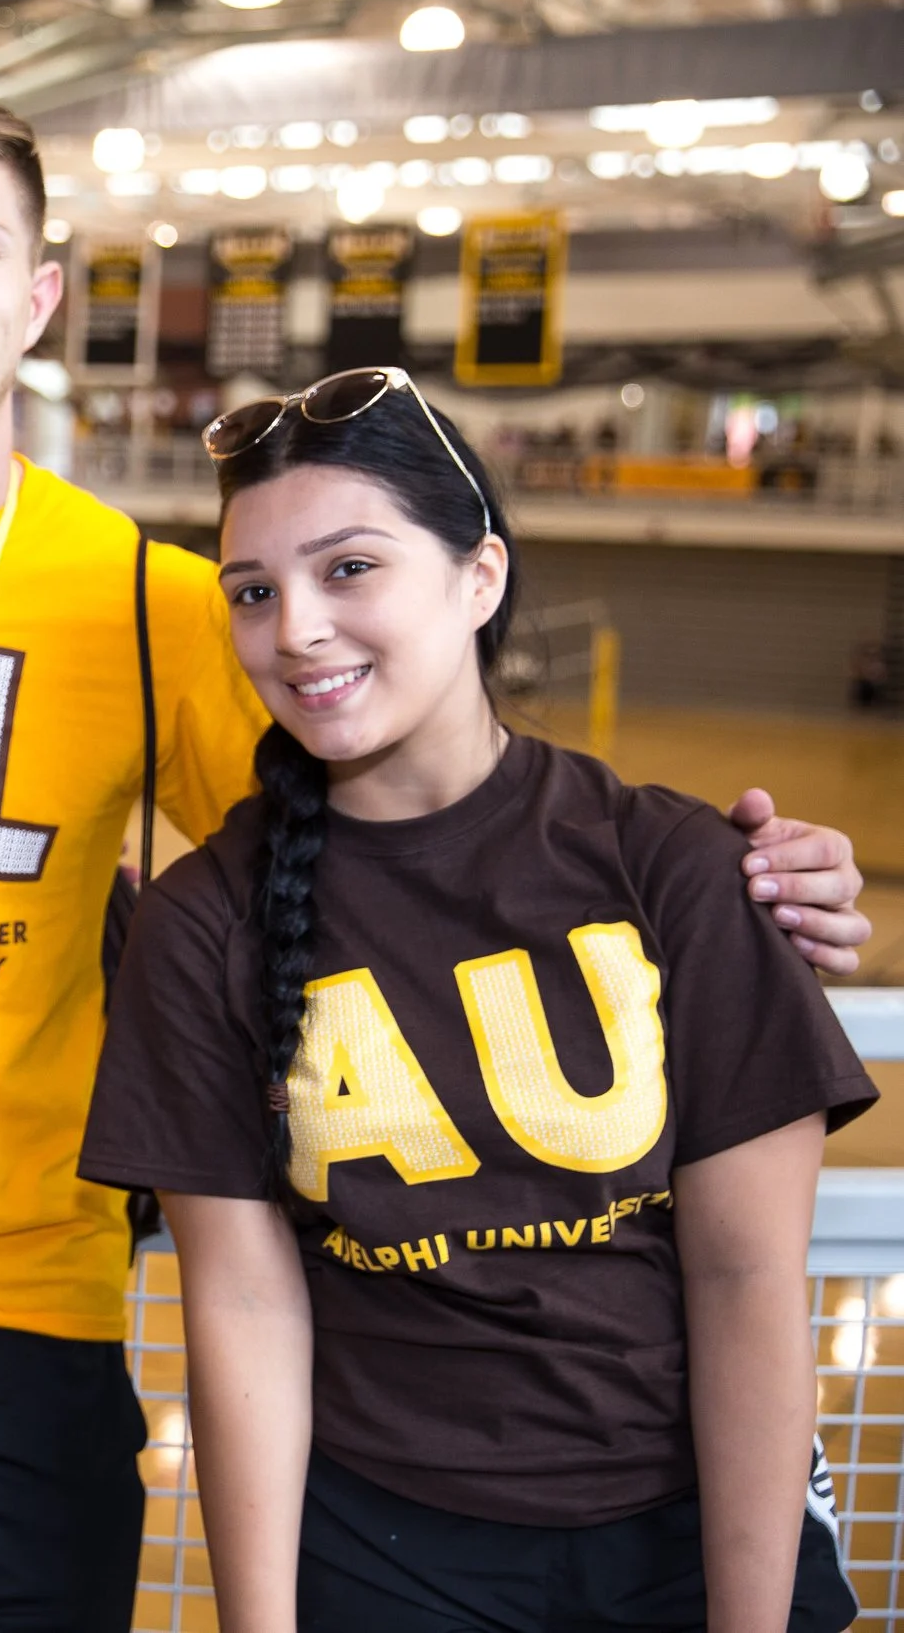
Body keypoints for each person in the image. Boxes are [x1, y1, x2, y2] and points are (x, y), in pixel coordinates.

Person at [0, 83, 873, 1631]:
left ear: (39, 297)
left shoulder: (158, 606)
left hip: (16, 1293)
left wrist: (724, 876)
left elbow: (388, 808)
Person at [78, 368, 872, 1632]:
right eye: (253, 591)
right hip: (383, 1545)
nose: (294, 629)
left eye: (348, 568)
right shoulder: (205, 923)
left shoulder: (672, 868)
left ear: (479, 576)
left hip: (685, 1526)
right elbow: (238, 1303)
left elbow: (745, 1280)